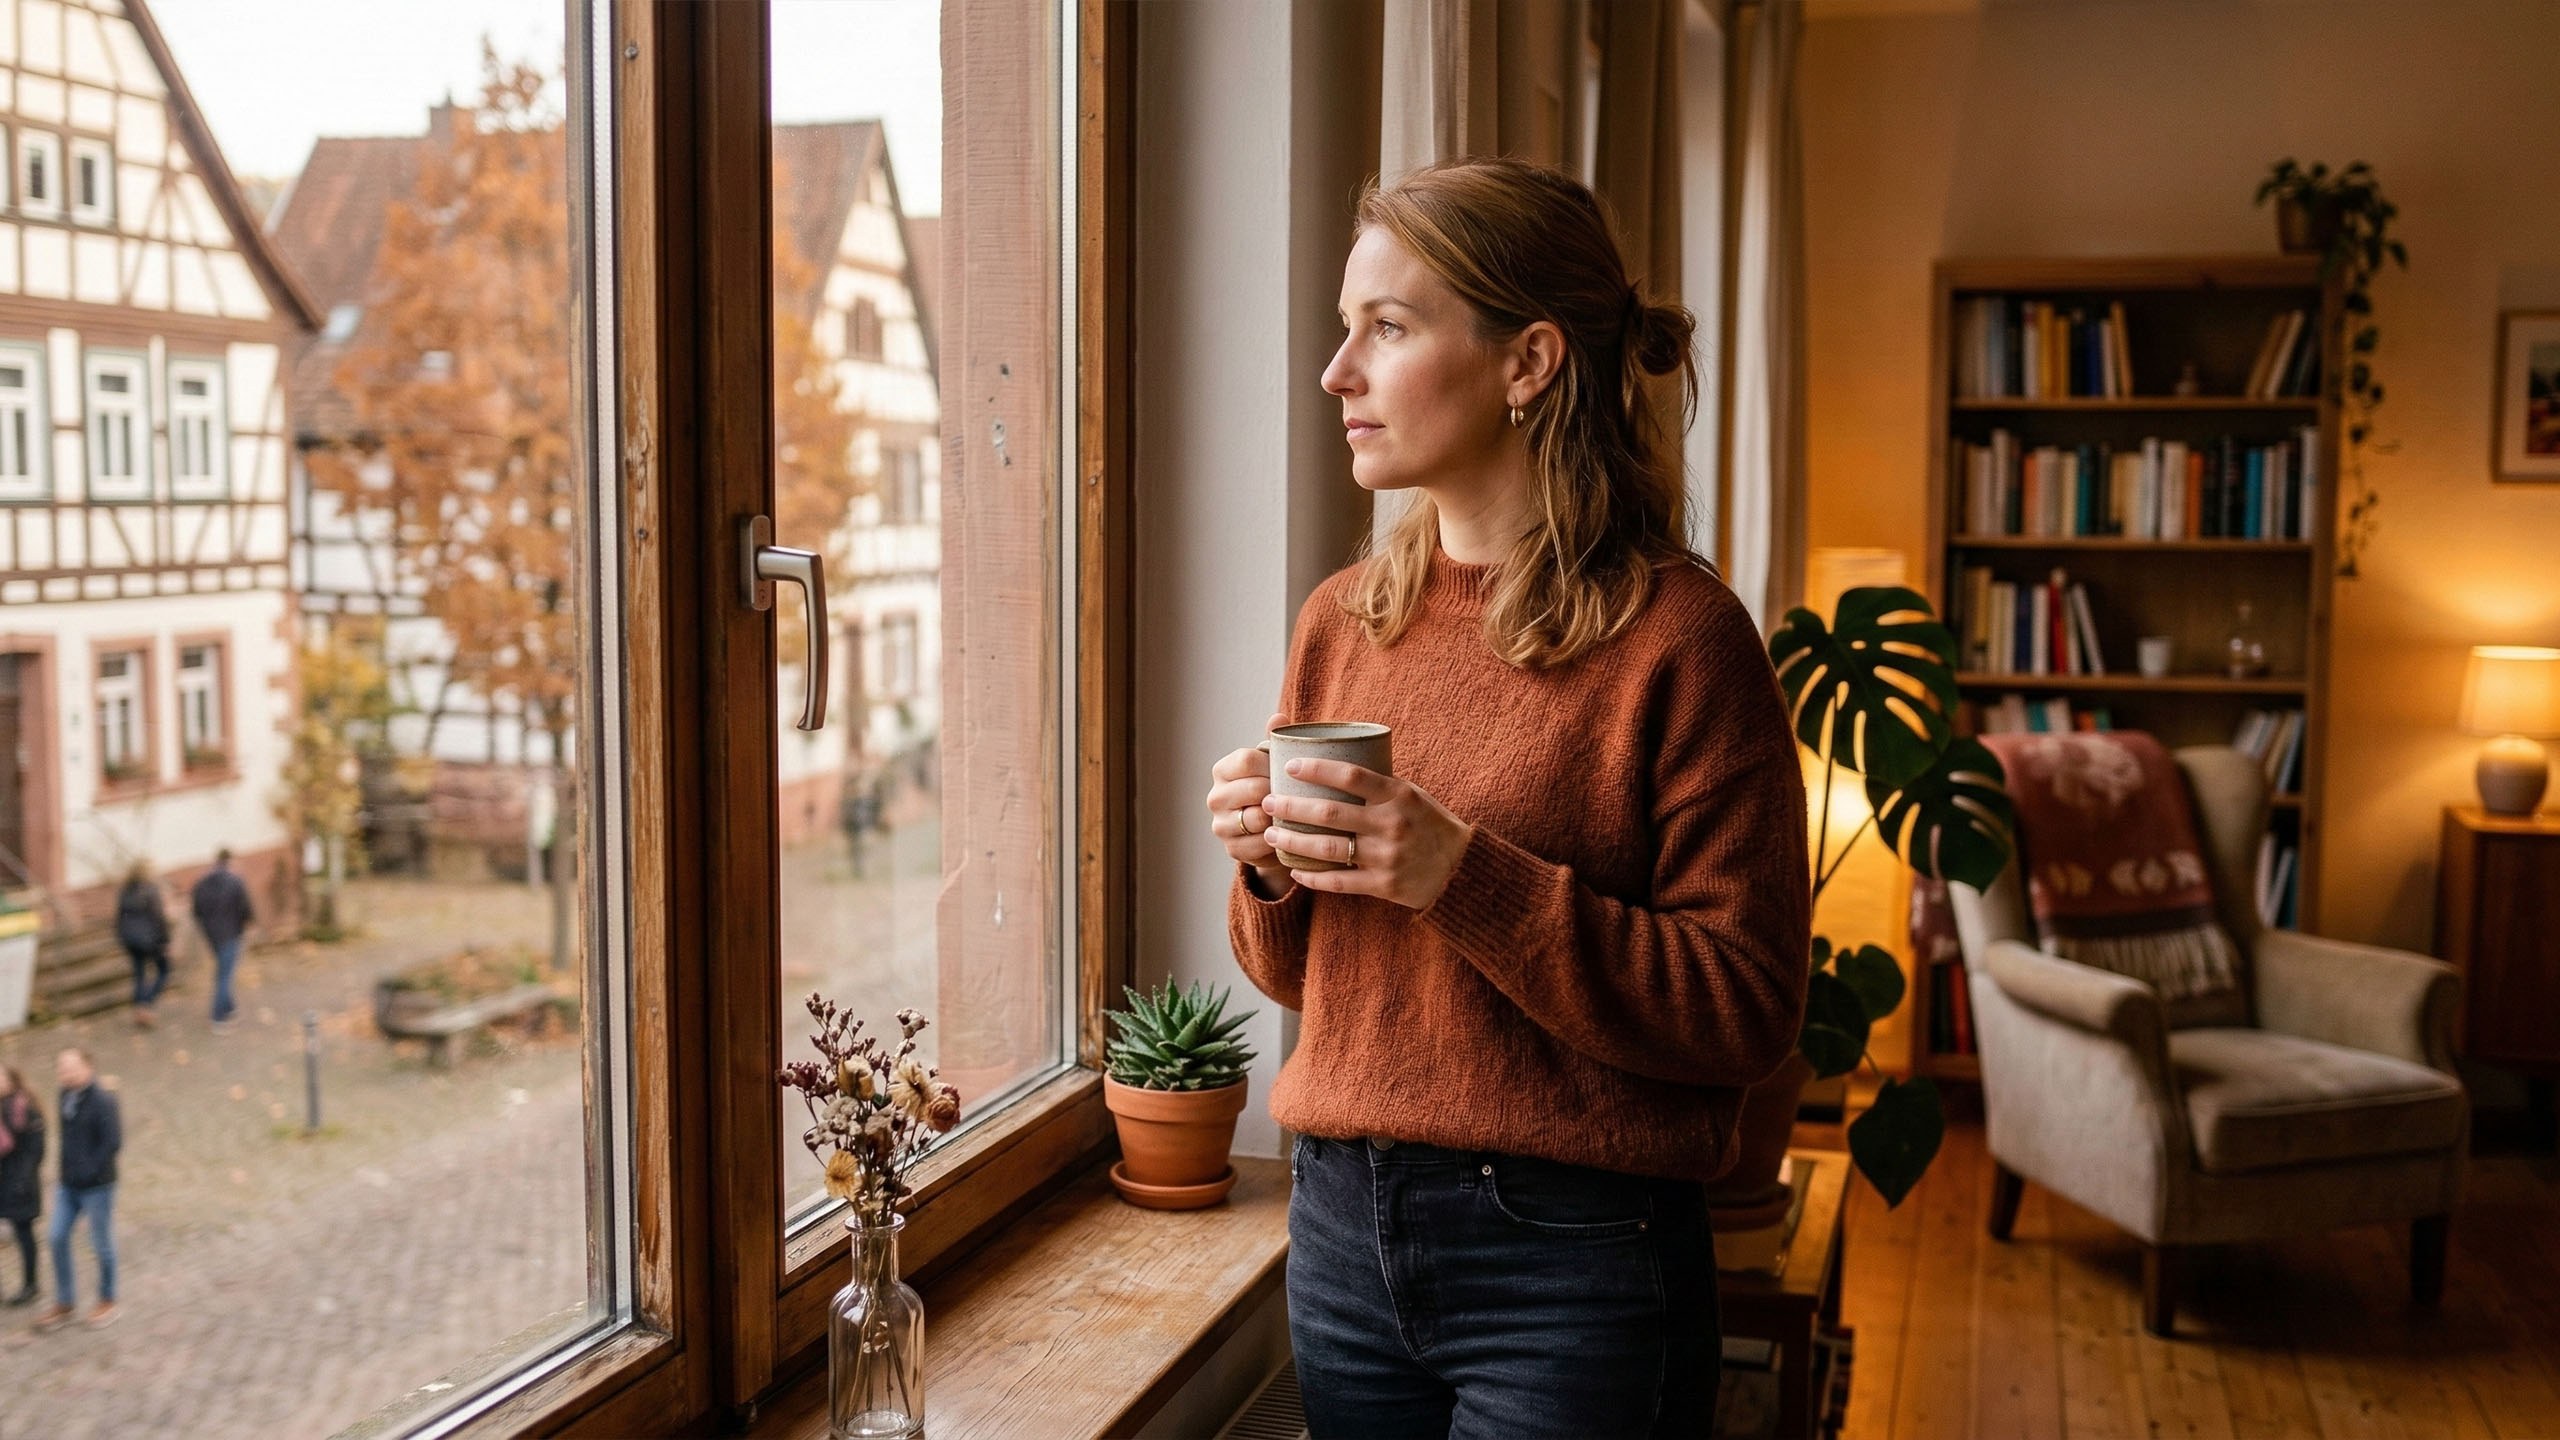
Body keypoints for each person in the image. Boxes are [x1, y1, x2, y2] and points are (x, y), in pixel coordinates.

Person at [1205, 157, 1810, 1439]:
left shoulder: (1683, 642)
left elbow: (1747, 1009)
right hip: (1340, 1236)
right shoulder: (1344, 620)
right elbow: (1307, 980)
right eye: (1341, 327)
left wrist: (1458, 874)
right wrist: (1265, 865)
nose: (1337, 374)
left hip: (1576, 1268)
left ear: (1528, 361)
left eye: (1389, 327)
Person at [34, 1048, 118, 1331]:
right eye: (61, 1068)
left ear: (88, 1067)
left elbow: (112, 1143)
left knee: (101, 1244)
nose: (64, 1073)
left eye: (70, 1067)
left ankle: (107, 1299)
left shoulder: (104, 1101)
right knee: (56, 1237)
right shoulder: (63, 1096)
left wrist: (89, 1171)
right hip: (68, 1186)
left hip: (97, 1187)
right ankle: (65, 1301)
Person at [190, 848, 255, 1029]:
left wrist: (207, 927)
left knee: (223, 971)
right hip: (231, 934)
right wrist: (247, 926)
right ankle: (218, 1017)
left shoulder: (202, 882)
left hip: (212, 935)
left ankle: (229, 1008)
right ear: (230, 861)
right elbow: (245, 907)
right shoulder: (235, 881)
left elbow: (196, 910)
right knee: (225, 975)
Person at [0, 1065, 42, 1306]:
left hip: (20, 1183)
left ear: (13, 1080)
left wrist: (22, 1180)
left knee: (24, 1234)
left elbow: (35, 1150)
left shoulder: (25, 1108)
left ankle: (30, 1285)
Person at [114, 865, 172, 1027]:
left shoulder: (125, 891)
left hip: (130, 940)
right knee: (164, 970)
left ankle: (139, 1008)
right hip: (150, 940)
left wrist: (121, 937)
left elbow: (119, 917)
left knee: (139, 974)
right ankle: (146, 1003)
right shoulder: (150, 890)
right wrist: (165, 941)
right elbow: (158, 918)